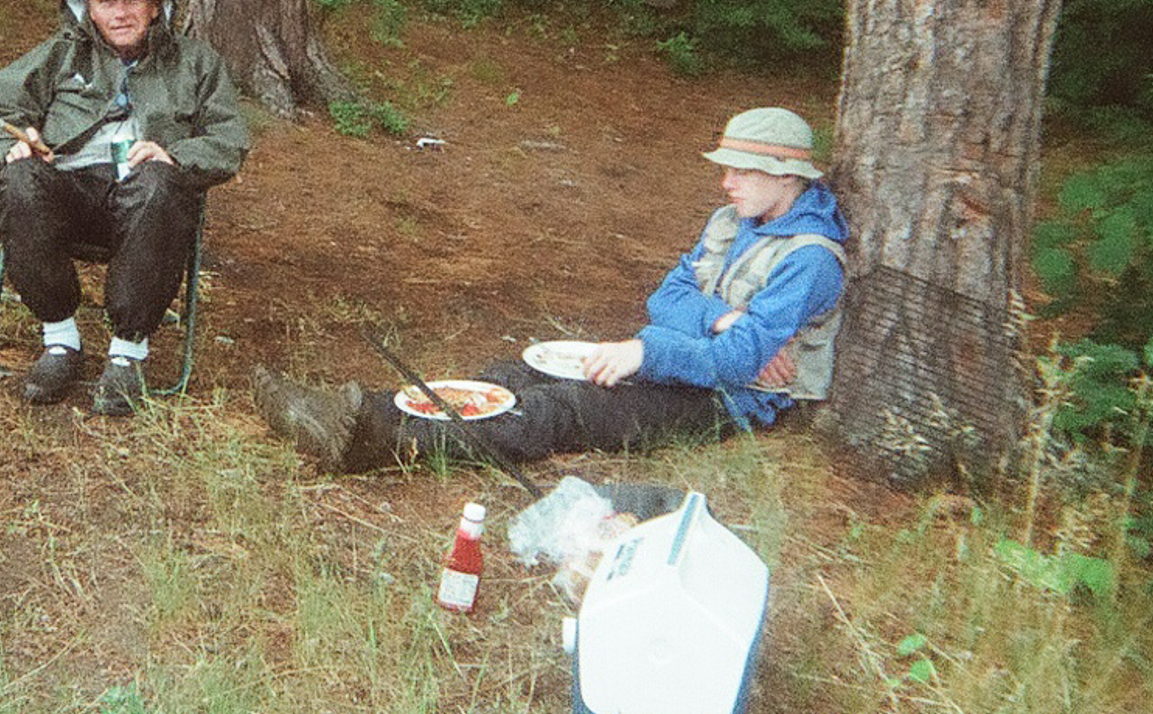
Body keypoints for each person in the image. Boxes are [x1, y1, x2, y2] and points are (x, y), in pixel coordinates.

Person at [253, 107, 848, 472]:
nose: (725, 183)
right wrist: (720, 317)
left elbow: (739, 364)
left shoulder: (810, 260)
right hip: (688, 361)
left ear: (786, 176)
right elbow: (665, 298)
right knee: (514, 373)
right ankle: (363, 407)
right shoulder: (733, 222)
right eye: (726, 168)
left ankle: (378, 442)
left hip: (734, 402)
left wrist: (650, 351)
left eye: (741, 170)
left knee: (565, 409)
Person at [0, 0, 250, 416]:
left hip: (147, 203)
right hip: (70, 193)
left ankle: (127, 355)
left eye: (131, 0)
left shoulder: (197, 63)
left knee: (161, 183)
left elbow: (230, 138)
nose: (119, 14)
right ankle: (61, 342)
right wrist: (17, 142)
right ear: (88, 9)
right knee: (19, 180)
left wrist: (176, 155)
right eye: (105, 1)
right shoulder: (61, 55)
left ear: (155, 6)